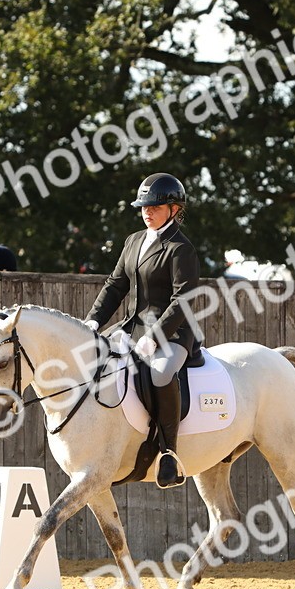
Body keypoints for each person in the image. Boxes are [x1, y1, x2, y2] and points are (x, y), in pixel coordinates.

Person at [83, 173, 201, 488]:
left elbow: (183, 301)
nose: (147, 212)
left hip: (173, 332)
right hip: (132, 326)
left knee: (161, 374)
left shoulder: (180, 248)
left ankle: (169, 453)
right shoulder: (134, 240)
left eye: (155, 207)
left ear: (174, 209)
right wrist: (93, 321)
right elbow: (115, 285)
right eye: (143, 207)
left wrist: (154, 338)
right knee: (93, 358)